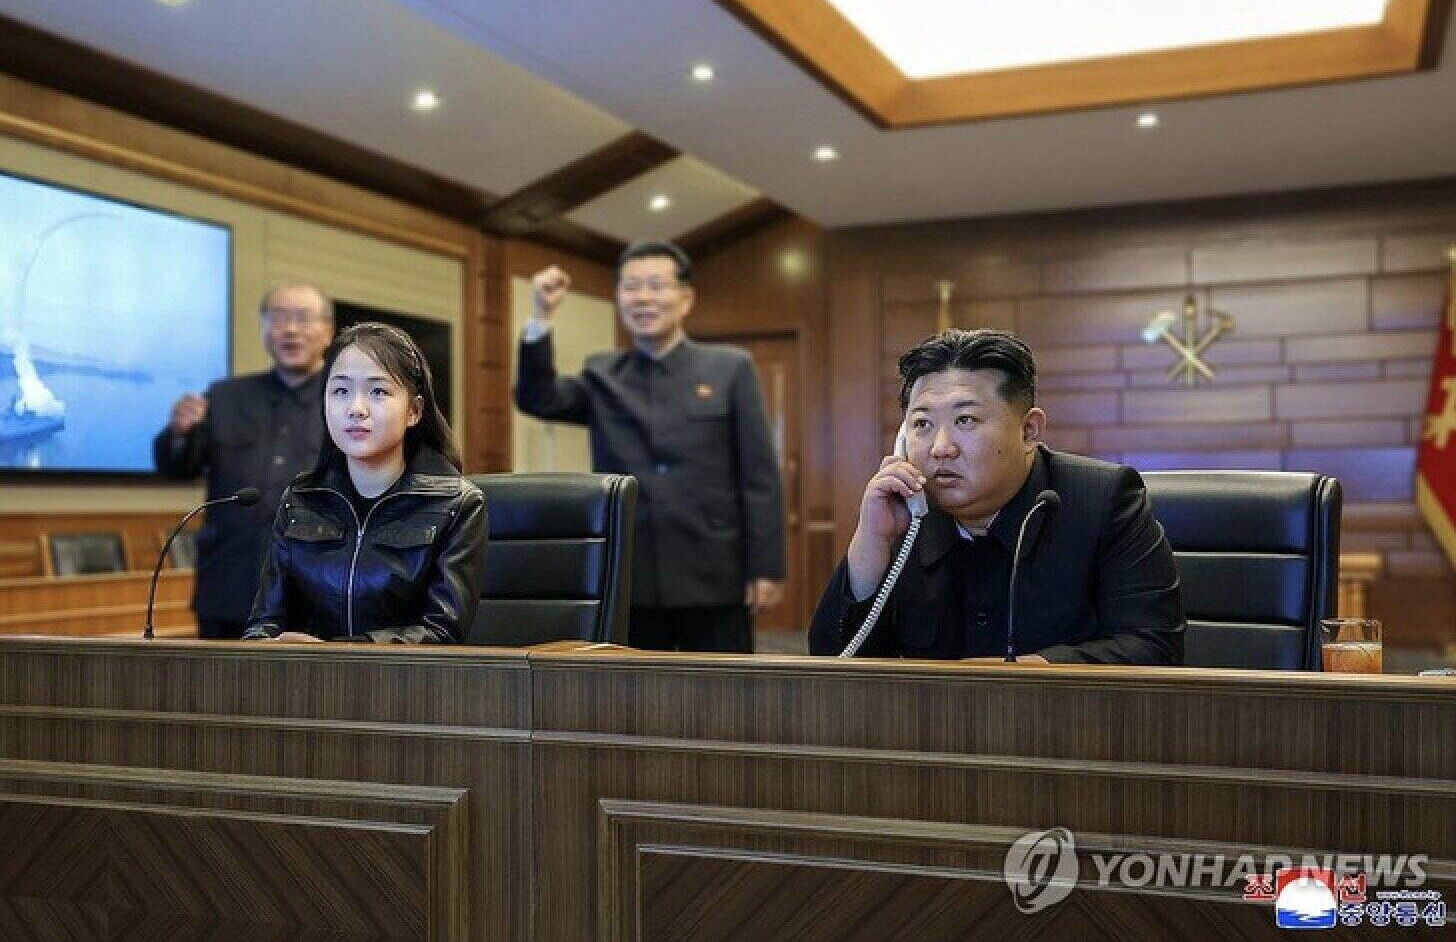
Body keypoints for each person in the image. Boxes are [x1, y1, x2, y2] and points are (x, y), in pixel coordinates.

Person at [809, 328, 1184, 664]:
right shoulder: (905, 515)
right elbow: (830, 667)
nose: (940, 448)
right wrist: (870, 544)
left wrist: (1021, 675)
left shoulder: (1104, 500)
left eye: (965, 421)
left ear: (1029, 431)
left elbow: (1153, 648)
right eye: (922, 424)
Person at [514, 240, 785, 652]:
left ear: (685, 298)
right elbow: (539, 398)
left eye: (656, 286)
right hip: (629, 573)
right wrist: (540, 316)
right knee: (634, 698)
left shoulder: (731, 368)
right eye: (631, 287)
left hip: (713, 573)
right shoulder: (603, 373)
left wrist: (765, 567)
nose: (643, 298)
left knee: (721, 699)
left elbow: (759, 475)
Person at [244, 323, 486, 643]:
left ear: (413, 411)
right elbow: (264, 623)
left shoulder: (456, 505)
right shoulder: (301, 500)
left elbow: (441, 632)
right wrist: (266, 645)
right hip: (306, 686)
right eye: (341, 391)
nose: (356, 409)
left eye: (378, 391)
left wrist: (333, 653)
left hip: (406, 687)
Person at [154, 284, 334, 639]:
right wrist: (179, 433)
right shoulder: (225, 396)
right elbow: (177, 467)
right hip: (228, 585)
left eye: (302, 318)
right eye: (279, 318)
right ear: (265, 329)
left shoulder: (345, 400)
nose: (291, 329)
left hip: (316, 591)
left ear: (328, 331)